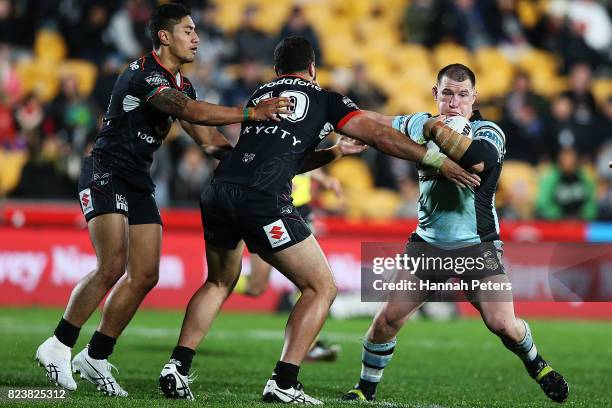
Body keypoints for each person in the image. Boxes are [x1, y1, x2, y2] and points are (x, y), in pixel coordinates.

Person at [158, 36, 479, 404]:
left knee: (218, 282)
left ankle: (177, 367)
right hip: (262, 200)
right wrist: (434, 159)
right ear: (313, 68)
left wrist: (335, 152)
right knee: (321, 287)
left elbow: (286, 159)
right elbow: (376, 133)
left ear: (278, 70)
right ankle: (284, 382)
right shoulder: (325, 98)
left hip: (219, 189)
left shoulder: (261, 97)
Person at [34, 3, 290, 397]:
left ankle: (96, 356)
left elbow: (207, 140)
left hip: (137, 180)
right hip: (105, 172)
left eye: (196, 31)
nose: (197, 38)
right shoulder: (144, 75)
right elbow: (188, 111)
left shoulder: (183, 84)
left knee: (146, 275)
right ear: (164, 36)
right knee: (112, 264)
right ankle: (59, 344)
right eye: (188, 30)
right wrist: (250, 113)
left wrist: (253, 162)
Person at [342, 63, 569, 404]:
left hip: (477, 247)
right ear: (436, 94)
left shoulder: (488, 130)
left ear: (474, 97)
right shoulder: (422, 122)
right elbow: (379, 122)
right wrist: (342, 120)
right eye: (447, 93)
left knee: (502, 324)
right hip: (428, 245)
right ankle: (365, 388)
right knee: (386, 321)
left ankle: (536, 363)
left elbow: (478, 160)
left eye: (463, 95)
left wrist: (437, 131)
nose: (454, 101)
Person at [235, 168, 344, 362]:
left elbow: (308, 159)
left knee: (313, 283)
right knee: (256, 286)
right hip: (274, 207)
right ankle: (221, 281)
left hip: (301, 210)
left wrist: (325, 179)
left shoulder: (309, 138)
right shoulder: (272, 138)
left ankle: (310, 345)